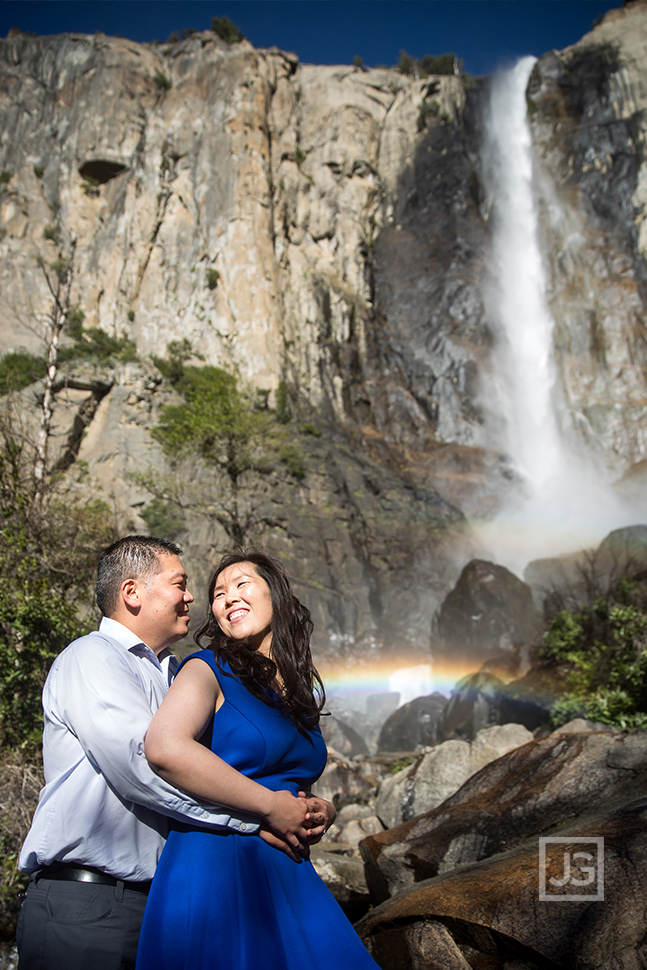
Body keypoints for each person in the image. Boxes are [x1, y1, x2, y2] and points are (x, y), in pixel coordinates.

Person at [17, 536, 333, 970]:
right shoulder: (91, 658)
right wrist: (259, 814)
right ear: (132, 593)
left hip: (159, 897)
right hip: (89, 904)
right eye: (180, 584)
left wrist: (310, 809)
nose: (192, 597)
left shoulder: (173, 674)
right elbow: (143, 766)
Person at [135, 551, 380, 970]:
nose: (228, 597)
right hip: (218, 865)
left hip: (287, 867)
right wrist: (270, 805)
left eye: (242, 584)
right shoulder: (207, 668)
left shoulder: (297, 692)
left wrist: (324, 809)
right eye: (218, 593)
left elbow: (288, 776)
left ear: (276, 595)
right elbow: (165, 747)